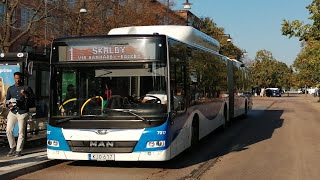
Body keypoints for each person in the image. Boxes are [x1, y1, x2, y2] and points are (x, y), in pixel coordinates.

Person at [5, 72, 35, 157]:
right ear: (14, 78)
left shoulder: (27, 88)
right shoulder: (11, 88)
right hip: (13, 111)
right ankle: (12, 147)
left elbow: (33, 99)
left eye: (19, 78)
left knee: (21, 131)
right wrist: (8, 105)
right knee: (8, 130)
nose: (17, 80)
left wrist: (25, 94)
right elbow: (7, 100)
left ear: (21, 78)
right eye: (16, 78)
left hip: (23, 112)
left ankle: (18, 150)